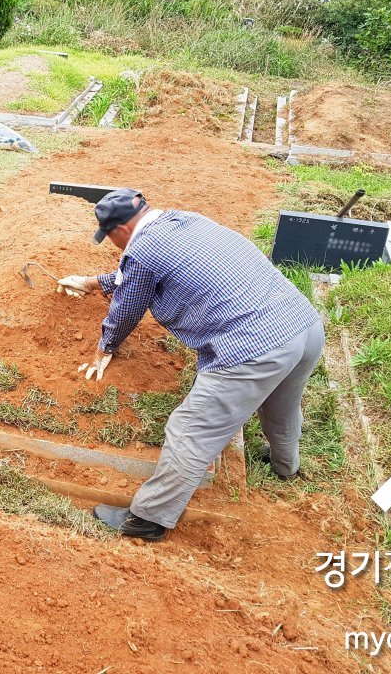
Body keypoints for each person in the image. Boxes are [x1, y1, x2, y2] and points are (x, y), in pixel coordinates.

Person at [57, 189, 324, 540]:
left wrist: (105, 347)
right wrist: (93, 283)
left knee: (189, 432)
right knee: (281, 404)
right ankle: (285, 466)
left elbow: (127, 308)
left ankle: (148, 519)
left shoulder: (141, 250)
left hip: (254, 347)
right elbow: (144, 274)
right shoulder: (187, 221)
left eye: (109, 238)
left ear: (120, 230)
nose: (113, 246)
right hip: (301, 325)